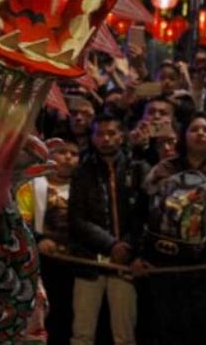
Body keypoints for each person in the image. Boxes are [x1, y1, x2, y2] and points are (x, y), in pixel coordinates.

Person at [141, 113, 206, 345]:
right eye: (194, 129)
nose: (200, 134)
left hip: (204, 268)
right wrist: (140, 255)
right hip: (162, 265)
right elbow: (145, 213)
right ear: (183, 136)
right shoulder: (164, 168)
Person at [67, 110, 149, 345]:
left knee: (124, 336)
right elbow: (77, 220)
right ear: (92, 138)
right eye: (100, 134)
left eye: (111, 133)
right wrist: (111, 244)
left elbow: (143, 217)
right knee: (82, 334)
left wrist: (128, 248)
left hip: (124, 263)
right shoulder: (82, 171)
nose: (106, 139)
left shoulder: (138, 169)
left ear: (121, 136)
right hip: (89, 261)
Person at [17, 139, 80, 344]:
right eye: (62, 152)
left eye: (74, 153)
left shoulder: (82, 187)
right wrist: (40, 239)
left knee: (69, 317)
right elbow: (21, 220)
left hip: (76, 263)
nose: (68, 157)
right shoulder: (32, 185)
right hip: (42, 261)